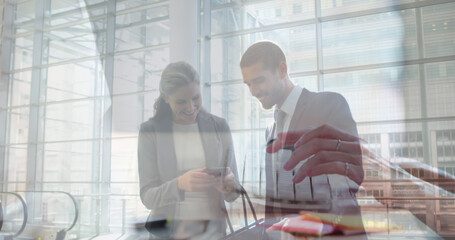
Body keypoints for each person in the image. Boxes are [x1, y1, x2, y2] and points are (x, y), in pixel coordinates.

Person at [240, 41, 364, 224]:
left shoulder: (329, 105)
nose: (253, 91)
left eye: (258, 80)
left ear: (282, 70)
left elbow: (350, 179)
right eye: (248, 84)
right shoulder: (271, 130)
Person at [137, 61, 240, 239]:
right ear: (165, 97)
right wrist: (180, 184)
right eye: (181, 102)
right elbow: (147, 196)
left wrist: (229, 185)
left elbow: (234, 193)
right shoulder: (150, 131)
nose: (190, 107)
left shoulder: (219, 126)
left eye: (195, 98)